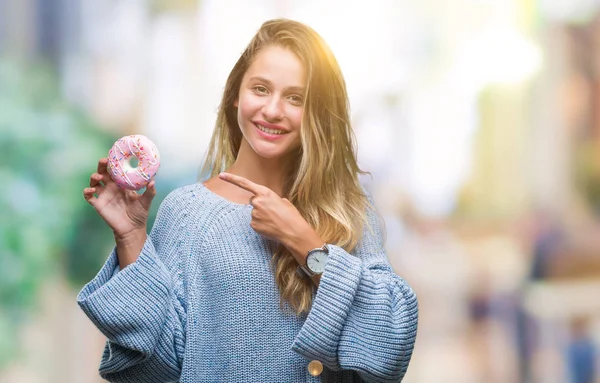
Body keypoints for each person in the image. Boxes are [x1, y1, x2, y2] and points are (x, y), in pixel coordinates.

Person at [79, 18, 418, 382]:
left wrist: (305, 244)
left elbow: (392, 346)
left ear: (317, 113)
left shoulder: (346, 209)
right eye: (260, 89)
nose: (272, 110)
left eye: (295, 98)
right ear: (235, 96)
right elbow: (156, 368)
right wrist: (131, 239)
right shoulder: (188, 212)